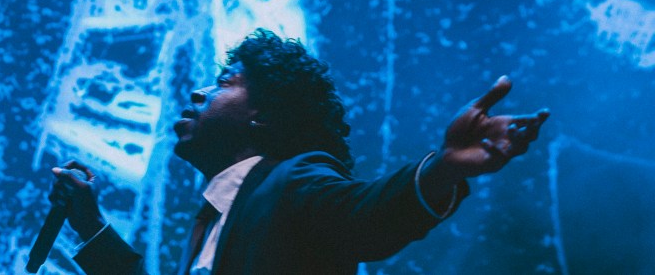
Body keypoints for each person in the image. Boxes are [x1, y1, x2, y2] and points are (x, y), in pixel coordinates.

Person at [48, 28, 549, 275]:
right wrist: (90, 223)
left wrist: (442, 167)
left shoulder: (294, 180)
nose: (199, 94)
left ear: (263, 116)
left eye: (224, 83)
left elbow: (366, 216)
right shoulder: (218, 214)